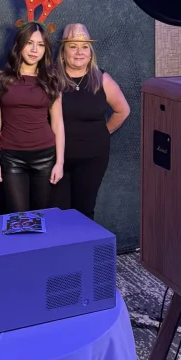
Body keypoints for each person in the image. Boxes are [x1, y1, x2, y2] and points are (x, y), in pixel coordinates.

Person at [53, 24, 130, 219]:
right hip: (56, 159)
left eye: (85, 46)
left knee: (84, 211)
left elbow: (122, 111)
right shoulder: (52, 78)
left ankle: (84, 249)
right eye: (73, 46)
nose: (79, 52)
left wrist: (101, 134)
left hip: (93, 159)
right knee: (58, 213)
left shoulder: (102, 79)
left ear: (90, 52)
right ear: (63, 53)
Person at [0, 22, 64, 212]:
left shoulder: (52, 79)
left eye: (40, 45)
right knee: (18, 217)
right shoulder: (0, 78)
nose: (34, 50)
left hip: (45, 155)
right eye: (29, 43)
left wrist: (60, 162)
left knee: (43, 215)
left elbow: (57, 123)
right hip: (11, 156)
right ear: (19, 45)